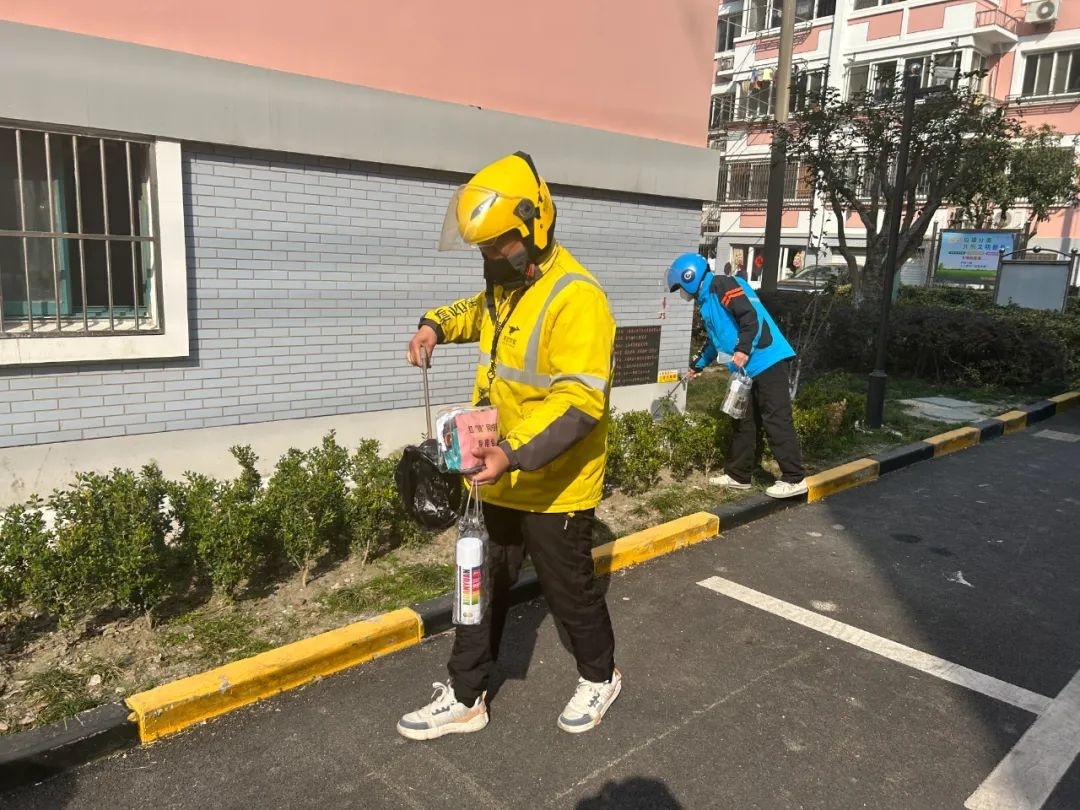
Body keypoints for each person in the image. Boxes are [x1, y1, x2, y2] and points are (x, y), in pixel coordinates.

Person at [399, 152, 620, 740]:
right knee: (478, 589)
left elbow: (579, 404)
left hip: (554, 485)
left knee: (569, 592)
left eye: (500, 243)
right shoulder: (506, 287)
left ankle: (600, 676)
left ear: (535, 224)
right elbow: (475, 314)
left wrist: (511, 453)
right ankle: (466, 695)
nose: (491, 255)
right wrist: (434, 325)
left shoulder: (577, 297)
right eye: (484, 246)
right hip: (497, 476)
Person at [667, 252, 807, 499]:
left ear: (690, 277)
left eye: (681, 287)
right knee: (742, 420)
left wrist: (742, 349)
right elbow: (716, 340)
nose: (682, 294)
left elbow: (749, 317)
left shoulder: (721, 285)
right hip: (745, 369)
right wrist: (697, 365)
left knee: (775, 418)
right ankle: (739, 475)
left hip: (767, 359)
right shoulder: (707, 300)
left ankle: (794, 478)